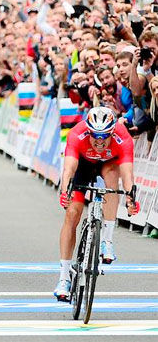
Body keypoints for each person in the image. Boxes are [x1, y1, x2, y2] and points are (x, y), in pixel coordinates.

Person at [54, 107, 139, 302]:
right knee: (72, 214)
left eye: (104, 137)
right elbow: (69, 168)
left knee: (112, 178)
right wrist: (65, 190)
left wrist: (130, 198)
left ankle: (106, 242)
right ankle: (64, 277)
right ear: (89, 131)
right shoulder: (77, 134)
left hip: (109, 164)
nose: (99, 142)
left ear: (112, 132)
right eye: (95, 136)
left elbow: (127, 173)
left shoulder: (122, 137)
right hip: (82, 165)